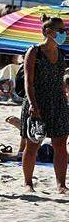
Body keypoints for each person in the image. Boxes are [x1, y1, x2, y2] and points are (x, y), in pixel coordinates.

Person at [22, 17, 69, 193]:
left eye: (65, 30)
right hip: (37, 101)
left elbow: (61, 79)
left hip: (58, 102)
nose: (64, 34)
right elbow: (29, 81)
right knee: (33, 144)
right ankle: (28, 183)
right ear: (49, 31)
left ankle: (61, 185)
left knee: (60, 144)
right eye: (61, 30)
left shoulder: (62, 53)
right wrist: (33, 105)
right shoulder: (34, 52)